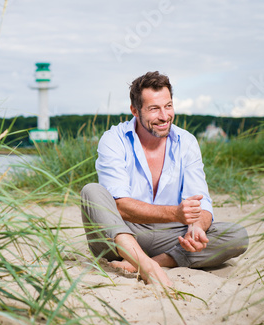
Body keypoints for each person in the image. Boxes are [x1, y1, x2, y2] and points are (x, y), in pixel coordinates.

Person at [80, 71, 249, 286]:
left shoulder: (186, 142)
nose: (164, 116)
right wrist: (176, 214)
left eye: (168, 106)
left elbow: (201, 202)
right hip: (122, 235)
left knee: (237, 236)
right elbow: (120, 206)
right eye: (154, 108)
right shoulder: (113, 139)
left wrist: (196, 228)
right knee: (91, 191)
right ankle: (146, 265)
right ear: (135, 110)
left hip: (169, 237)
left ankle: (152, 262)